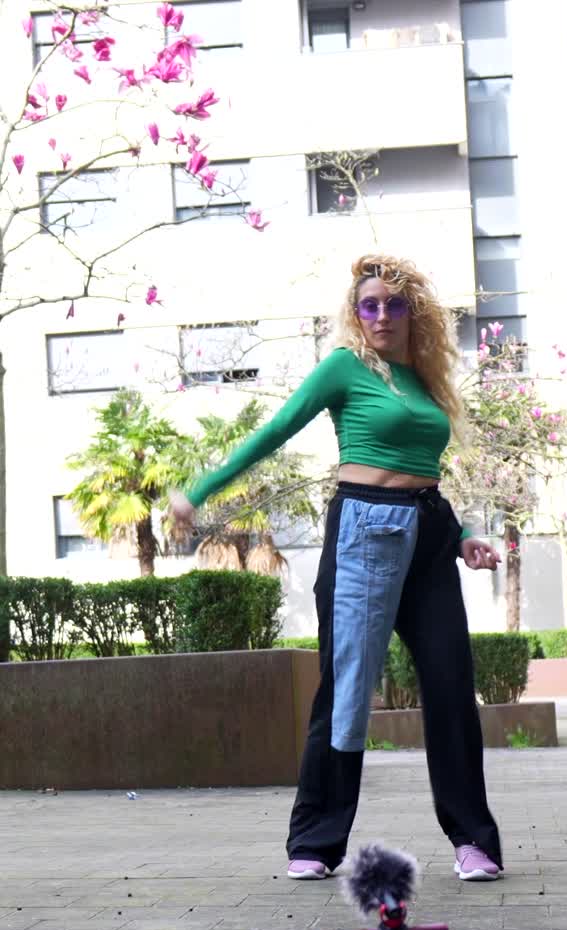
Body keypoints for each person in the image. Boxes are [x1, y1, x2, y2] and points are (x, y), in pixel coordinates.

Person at [169, 253, 503, 883]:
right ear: (355, 314)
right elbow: (276, 430)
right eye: (369, 305)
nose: (381, 315)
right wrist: (200, 490)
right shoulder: (345, 368)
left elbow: (425, 477)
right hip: (364, 534)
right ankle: (317, 842)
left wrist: (461, 534)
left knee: (452, 685)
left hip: (429, 534)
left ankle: (473, 840)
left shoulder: (425, 381)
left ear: (414, 313)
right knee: (346, 689)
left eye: (394, 304)